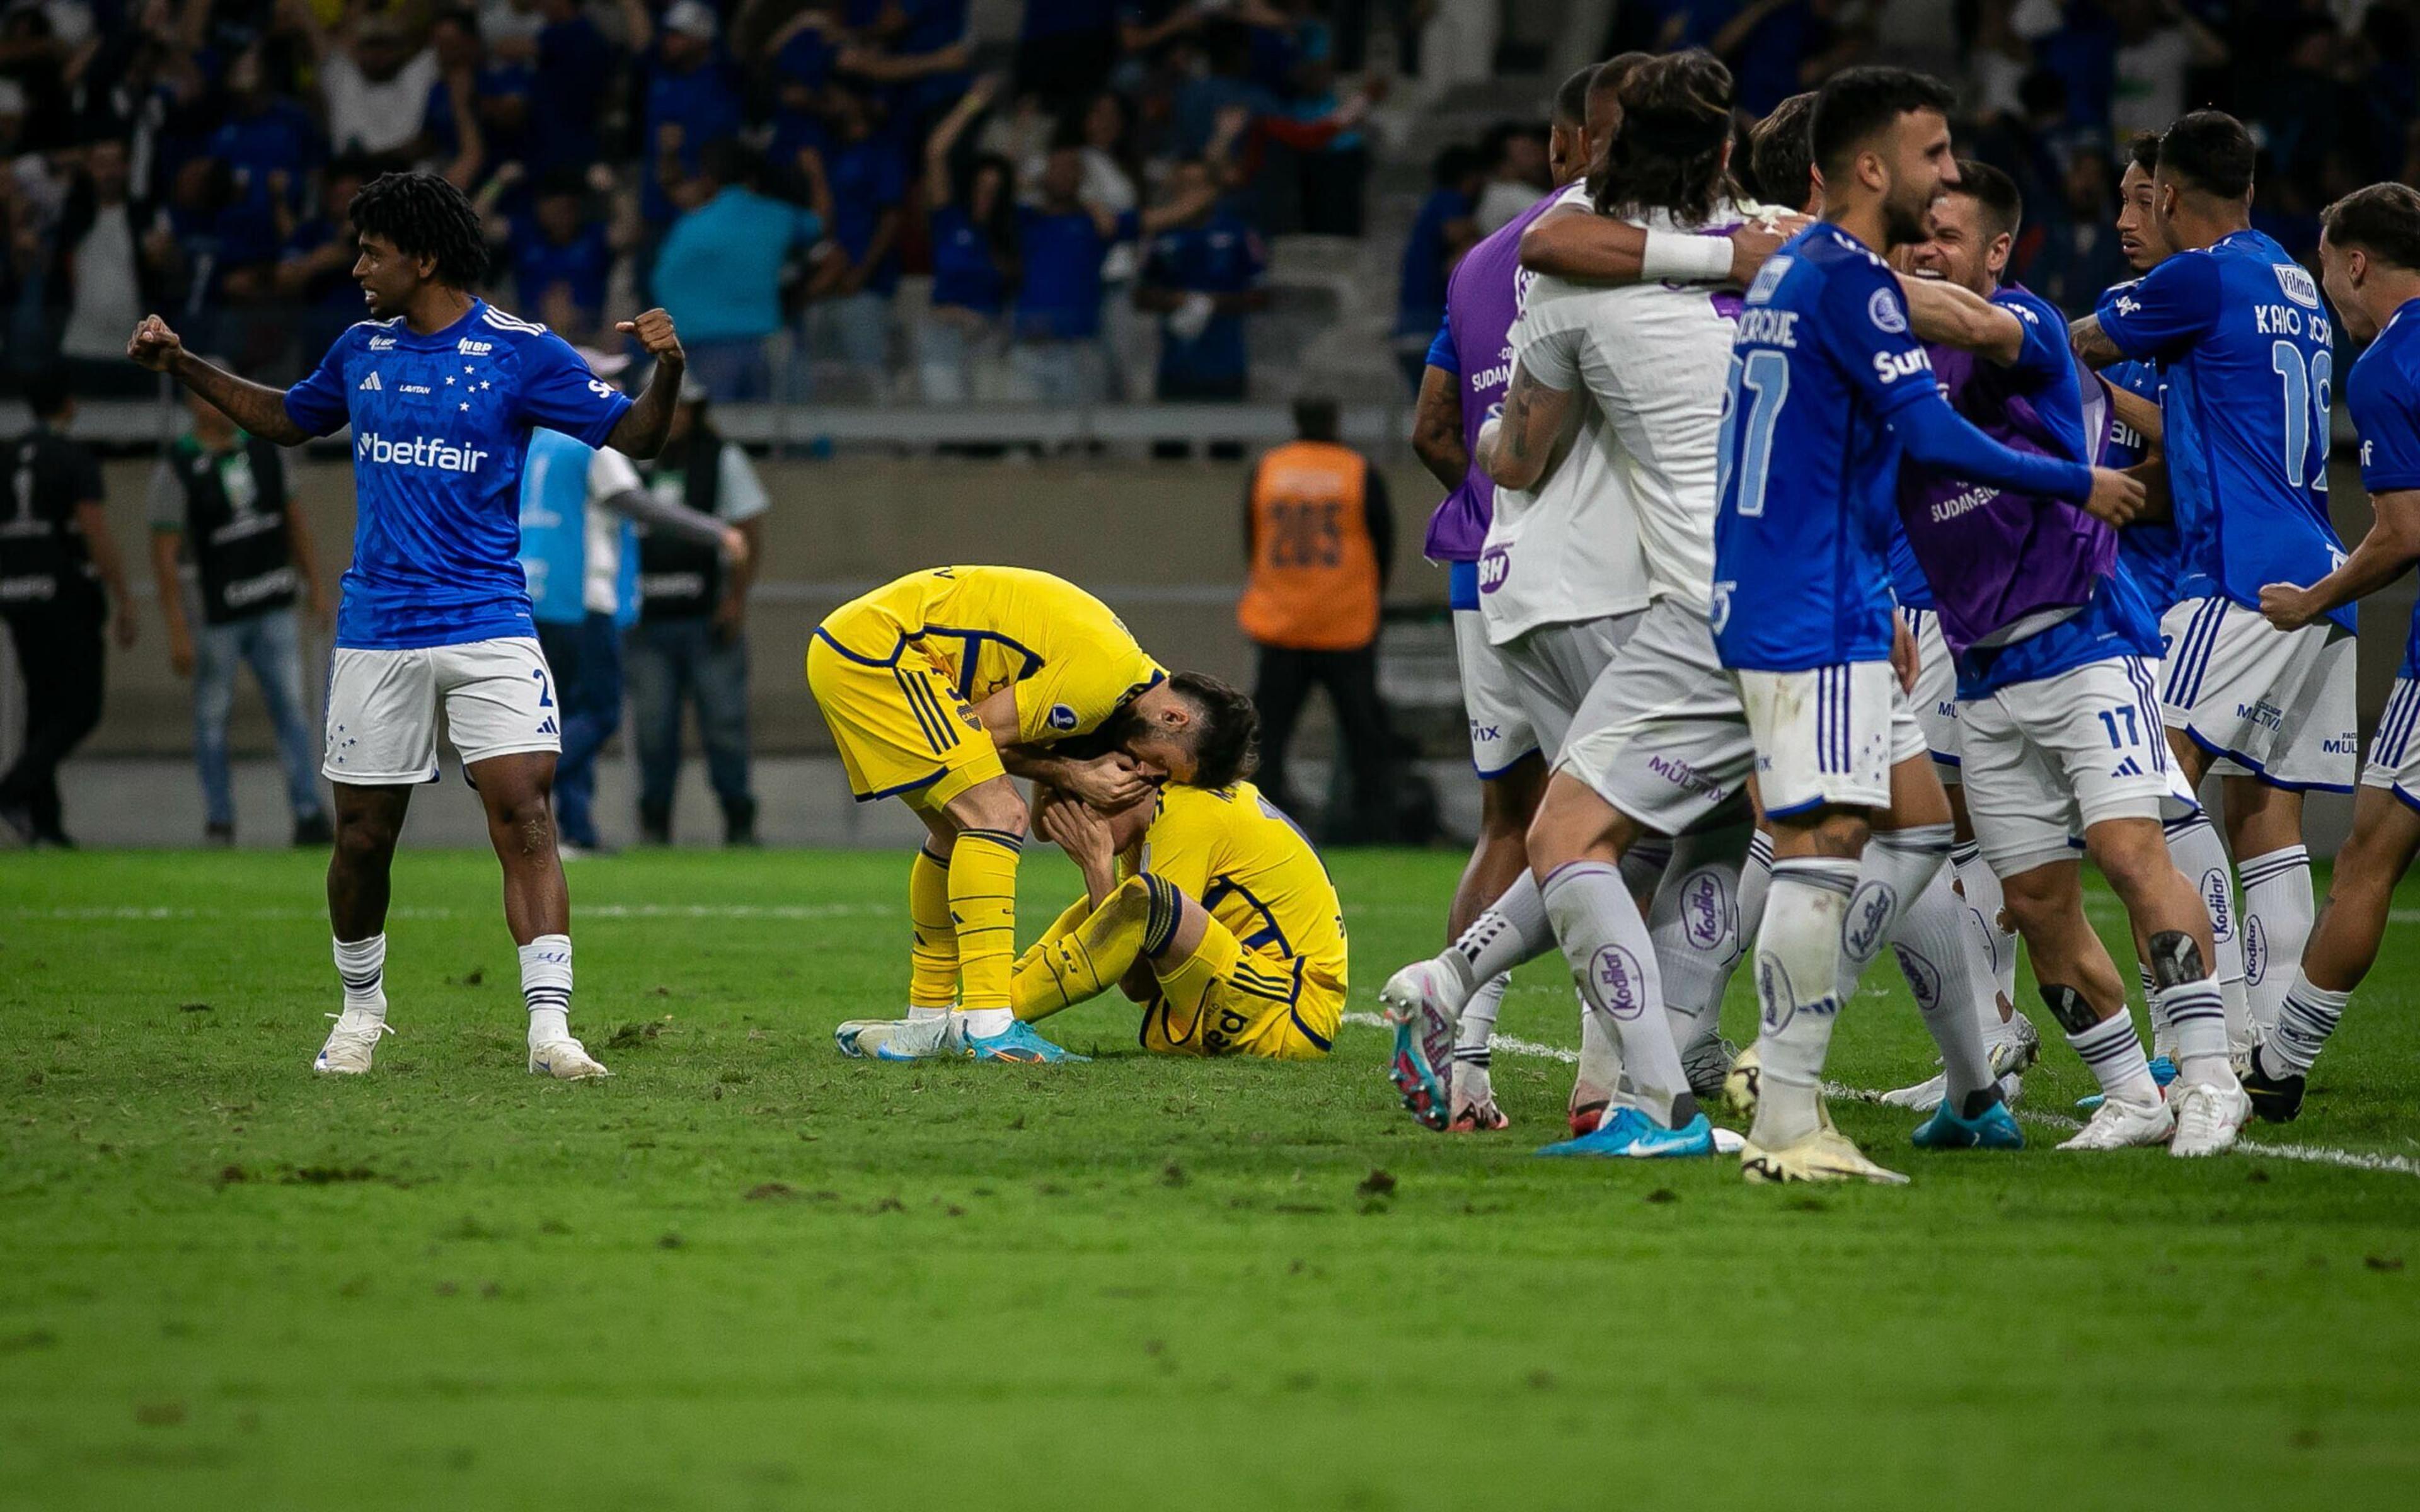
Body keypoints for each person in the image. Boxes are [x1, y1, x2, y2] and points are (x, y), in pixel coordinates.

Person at [126, 169, 690, 1080]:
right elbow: (285, 419)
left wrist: (669, 369)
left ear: (423, 258)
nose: (357, 267)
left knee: (528, 816)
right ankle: (360, 1012)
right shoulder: (360, 349)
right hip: (379, 630)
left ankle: (550, 1032)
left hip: (490, 623)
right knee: (361, 840)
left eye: (373, 252)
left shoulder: (525, 352)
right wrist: (183, 364)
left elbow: (640, 439)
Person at [1710, 68, 2138, 1184]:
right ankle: (1789, 1118)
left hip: (1814, 587)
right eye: (1935, 154)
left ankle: (1895, 1086)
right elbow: (1937, 438)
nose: (1951, 174)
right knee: (1822, 850)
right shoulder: (1848, 280)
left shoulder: (1800, 265)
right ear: (1870, 168)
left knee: (1913, 826)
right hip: (1813, 600)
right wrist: (2073, 480)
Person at [1886, 163, 2237, 1156]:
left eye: (1948, 236)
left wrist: (1829, 272)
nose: (1926, 249)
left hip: (2086, 642)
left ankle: (2209, 1076)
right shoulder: (1896, 372)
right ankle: (2130, 1091)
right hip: (1984, 669)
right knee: (2035, 901)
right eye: (1916, 234)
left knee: (2131, 853)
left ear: (1998, 252)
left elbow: (1977, 329)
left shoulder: (2028, 326)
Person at [2070, 111, 2352, 1125]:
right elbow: (2205, 408)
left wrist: (2011, 339)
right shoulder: (2291, 280)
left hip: (2237, 578)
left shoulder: (2198, 275)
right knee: (2268, 818)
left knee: (2148, 790)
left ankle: (2210, 1036)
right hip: (2321, 573)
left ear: (2175, 196)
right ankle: (2268, 1049)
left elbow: (2086, 341)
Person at [1391, 60, 1604, 1134]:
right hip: (1590, 582)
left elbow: (1434, 427)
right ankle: (1610, 1077)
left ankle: (1461, 1063)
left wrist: (1489, 506)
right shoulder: (1621, 256)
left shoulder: (1478, 262)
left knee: (1508, 820)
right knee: (1617, 823)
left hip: (1483, 568)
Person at [802, 566, 1236, 1063]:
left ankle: (927, 1020)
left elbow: (1041, 817)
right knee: (995, 815)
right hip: (882, 655)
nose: (1146, 773)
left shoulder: (1121, 686)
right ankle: (990, 1025)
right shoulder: (1101, 683)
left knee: (955, 830)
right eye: (1160, 764)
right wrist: (1073, 775)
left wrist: (1068, 774)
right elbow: (979, 730)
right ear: (1174, 718)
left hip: (858, 646)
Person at [2248, 183, 2420, 1121]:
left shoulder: (2390, 364)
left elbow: (2400, 532)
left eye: (2327, 273)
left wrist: (2311, 600)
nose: (2330, 298)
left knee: (2367, 856)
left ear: (2355, 262)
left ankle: (2278, 1062)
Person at [515, 352, 742, 856]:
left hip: (532, 592)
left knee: (561, 711)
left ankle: (575, 832)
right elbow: (635, 503)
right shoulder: (590, 439)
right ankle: (523, 779)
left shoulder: (536, 441)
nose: (617, 390)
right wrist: (717, 533)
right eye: (608, 379)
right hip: (579, 599)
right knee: (597, 714)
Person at [1000, 770, 1345, 1060]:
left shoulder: (1185, 810)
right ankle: (989, 1004)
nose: (1073, 826)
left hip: (1288, 1013)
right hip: (1253, 991)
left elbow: (1139, 981)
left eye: (1077, 807)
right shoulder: (1157, 809)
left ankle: (998, 1018)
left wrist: (1096, 867)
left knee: (1142, 900)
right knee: (1111, 906)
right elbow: (1045, 829)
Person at [147, 374, 334, 847]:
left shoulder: (267, 447)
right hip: (219, 614)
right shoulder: (181, 464)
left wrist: (316, 586)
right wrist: (176, 628)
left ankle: (308, 812)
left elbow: (295, 520)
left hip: (273, 600)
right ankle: (220, 819)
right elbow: (164, 552)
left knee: (293, 711)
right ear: (194, 402)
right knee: (213, 718)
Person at [1237, 395, 1395, 837]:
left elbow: (1252, 540)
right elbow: (1384, 543)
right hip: (1345, 623)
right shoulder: (1357, 471)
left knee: (1267, 733)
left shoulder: (1269, 469)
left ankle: (1259, 823)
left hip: (1281, 621)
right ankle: (1375, 823)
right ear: (1335, 418)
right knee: (1365, 732)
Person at [628, 384, 769, 847]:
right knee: (653, 730)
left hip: (706, 620)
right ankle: (654, 823)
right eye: (669, 404)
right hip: (647, 622)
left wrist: (735, 600)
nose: (676, 415)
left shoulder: (721, 457)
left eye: (684, 407)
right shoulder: (628, 457)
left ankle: (739, 821)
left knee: (725, 725)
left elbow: (749, 529)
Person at [0, 370, 137, 847]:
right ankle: (12, 790)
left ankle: (45, 822)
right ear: (67, 403)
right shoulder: (72, 458)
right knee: (81, 707)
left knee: (42, 707)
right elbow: (93, 528)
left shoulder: (8, 454)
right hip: (63, 593)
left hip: (16, 592)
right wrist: (122, 596)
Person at [1136, 158, 1268, 401]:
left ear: (1214, 191)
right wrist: (1175, 300)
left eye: (1198, 185)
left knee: (1227, 437)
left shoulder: (1238, 233)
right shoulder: (1160, 237)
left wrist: (1213, 302)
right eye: (1184, 185)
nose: (1191, 193)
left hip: (1226, 364)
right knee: (1171, 437)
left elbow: (1261, 295)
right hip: (1175, 366)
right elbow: (1141, 296)